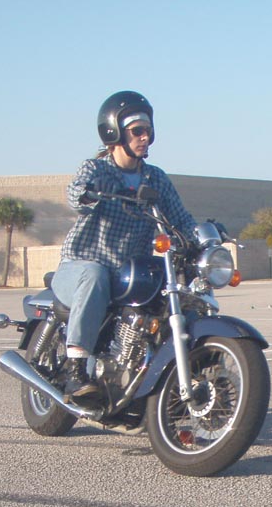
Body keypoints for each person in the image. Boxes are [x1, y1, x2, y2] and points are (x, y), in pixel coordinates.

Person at [51, 91, 197, 398]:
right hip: (79, 269)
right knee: (95, 274)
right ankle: (75, 369)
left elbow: (181, 219)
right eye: (137, 131)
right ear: (114, 132)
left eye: (148, 131)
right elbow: (74, 194)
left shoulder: (155, 178)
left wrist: (203, 236)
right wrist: (90, 191)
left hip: (128, 274)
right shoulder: (97, 169)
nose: (145, 137)